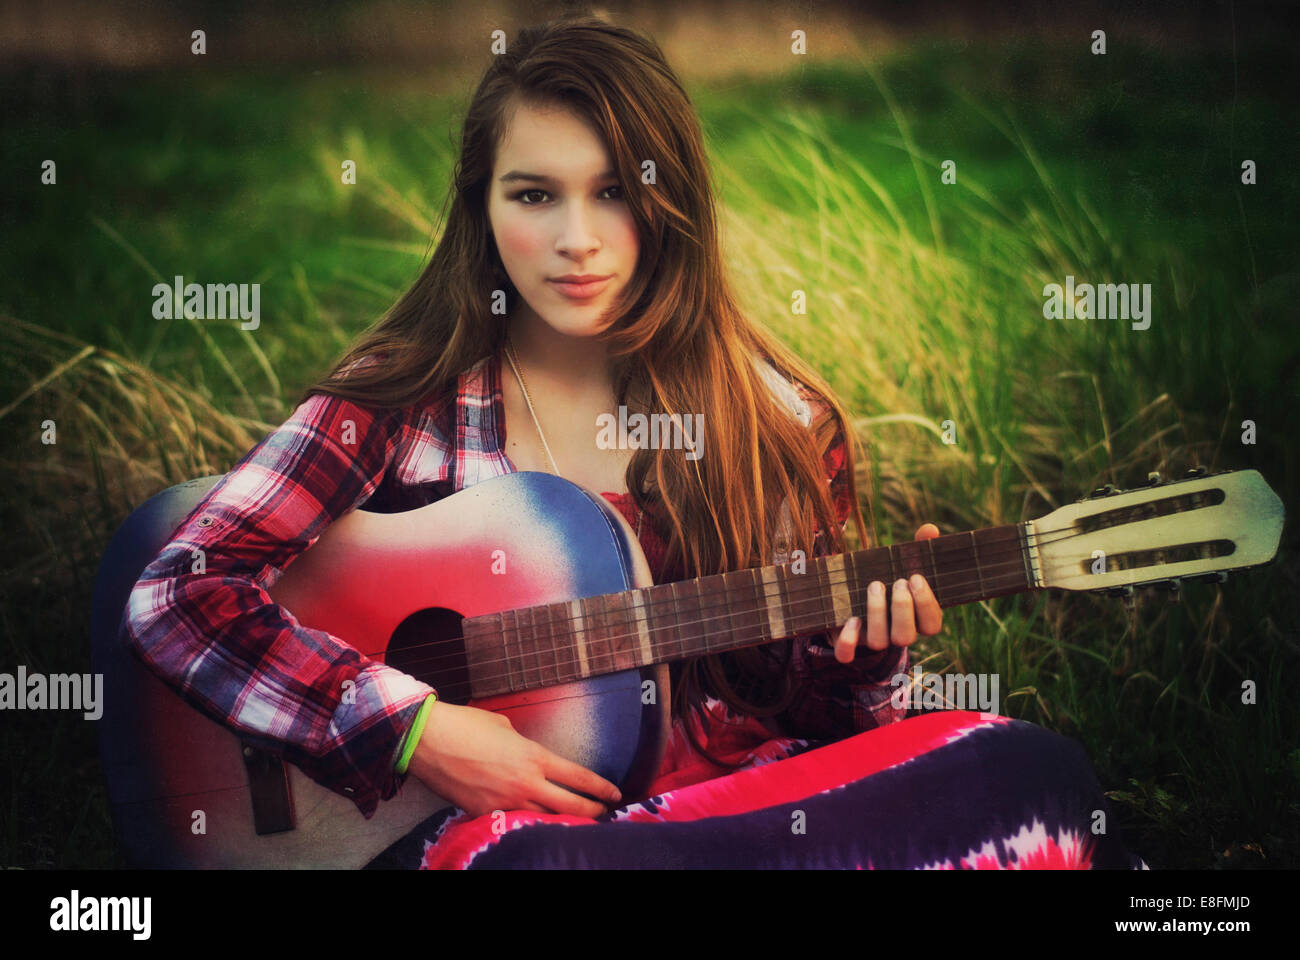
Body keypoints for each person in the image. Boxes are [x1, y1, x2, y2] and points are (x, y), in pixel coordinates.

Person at [124, 15, 1146, 869]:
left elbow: (831, 732)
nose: (578, 238)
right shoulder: (397, 403)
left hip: (740, 812)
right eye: (534, 194)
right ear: (481, 208)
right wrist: (419, 733)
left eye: (615, 189)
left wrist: (859, 664)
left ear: (671, 200)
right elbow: (177, 592)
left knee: (1030, 776)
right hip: (521, 839)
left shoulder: (778, 421)